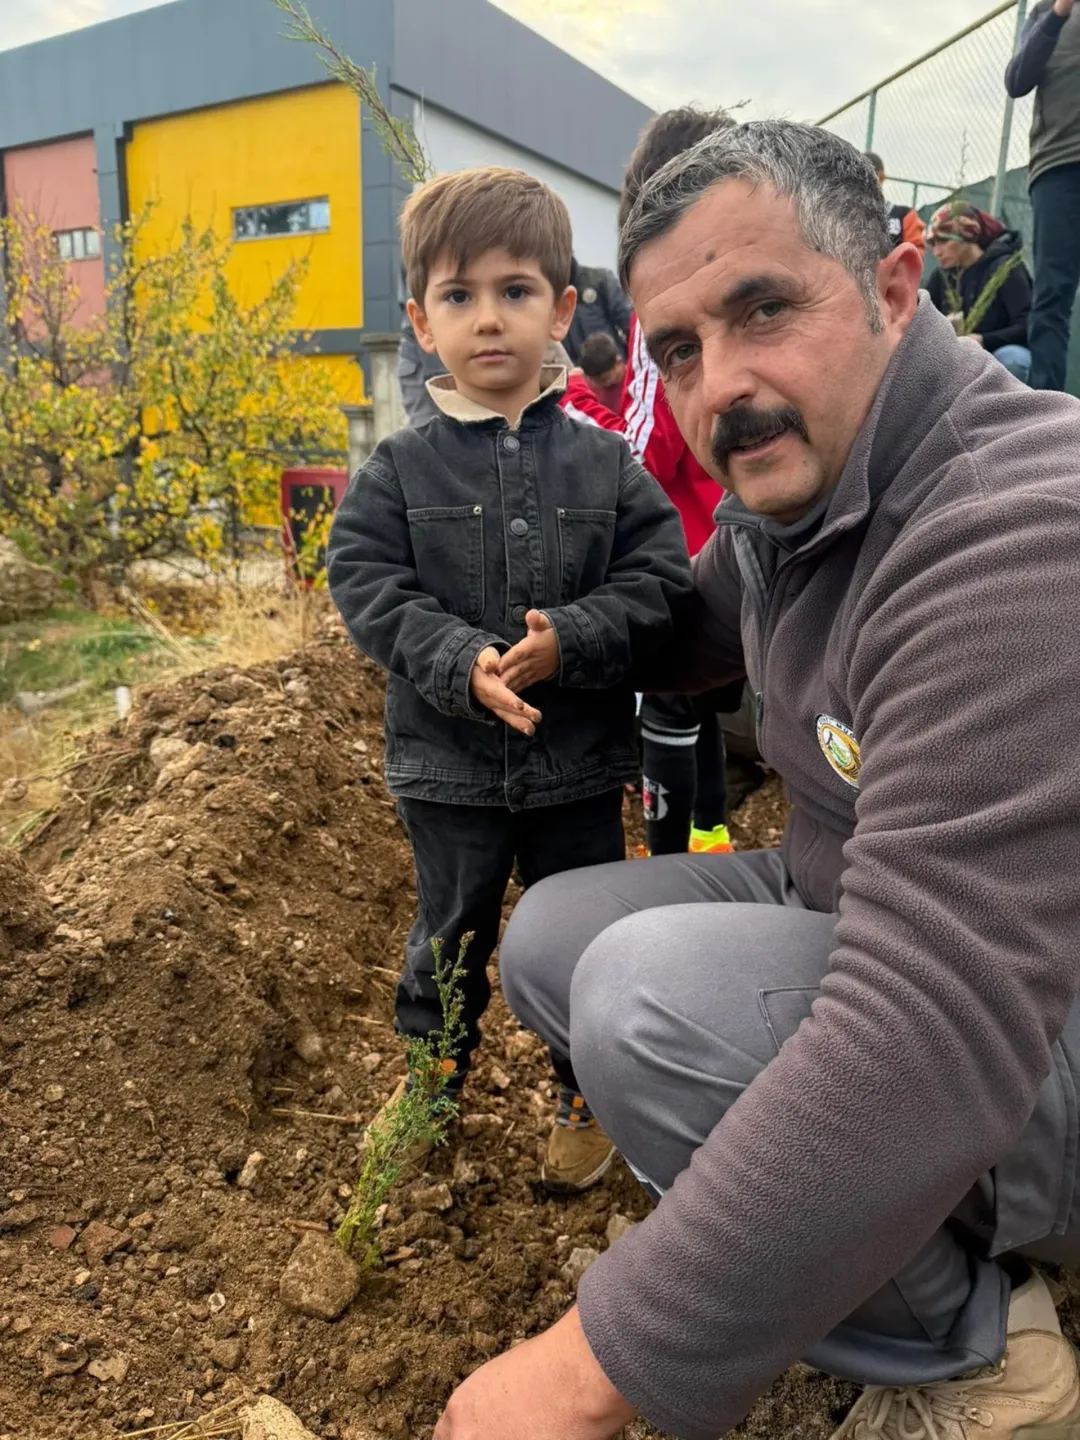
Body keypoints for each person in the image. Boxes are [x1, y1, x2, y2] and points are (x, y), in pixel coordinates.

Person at [433, 121, 1080, 1440]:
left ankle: (983, 1358)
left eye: (763, 309)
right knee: (559, 942)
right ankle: (823, 1227)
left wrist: (582, 1374)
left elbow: (932, 1025)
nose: (721, 384)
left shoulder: (1010, 532)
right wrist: (562, 641)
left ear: (898, 284)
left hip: (1019, 1025)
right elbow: (704, 623)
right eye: (679, 349)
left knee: (645, 1006)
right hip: (897, 929)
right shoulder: (820, 478)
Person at [327, 166, 691, 1196]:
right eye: (459, 295)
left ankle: (585, 1094)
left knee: (579, 942)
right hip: (446, 774)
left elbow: (659, 581)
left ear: (565, 311)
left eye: (516, 291)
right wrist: (456, 659)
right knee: (450, 937)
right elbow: (363, 582)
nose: (489, 319)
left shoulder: (608, 468)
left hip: (575, 768)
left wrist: (573, 637)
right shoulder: (399, 472)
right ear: (421, 319)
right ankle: (432, 1088)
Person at [563, 105, 741, 857]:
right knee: (700, 709)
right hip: (728, 536)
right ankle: (711, 834)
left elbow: (640, 449)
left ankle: (678, 864)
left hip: (691, 550)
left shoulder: (664, 308)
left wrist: (565, 395)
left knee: (671, 700)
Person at [1005, 0, 1080, 391]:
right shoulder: (1044, 13)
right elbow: (1017, 80)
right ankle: (1050, 425)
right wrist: (1059, 12)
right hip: (1057, 166)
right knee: (1052, 295)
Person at [926, 201, 1034, 383]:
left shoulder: (1006, 268)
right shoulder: (941, 277)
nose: (937, 252)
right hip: (955, 357)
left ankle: (1007, 410)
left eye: (943, 241)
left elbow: (1028, 325)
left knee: (1013, 359)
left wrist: (984, 340)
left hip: (997, 354)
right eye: (933, 244)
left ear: (968, 236)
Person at [563, 254, 632, 364]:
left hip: (616, 367)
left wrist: (633, 364)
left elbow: (630, 323)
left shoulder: (600, 279)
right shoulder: (548, 294)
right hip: (577, 374)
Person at [865, 151, 926, 256]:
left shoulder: (904, 216)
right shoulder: (842, 215)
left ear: (880, 177)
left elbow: (915, 256)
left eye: (865, 176)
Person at [577, 331, 626, 410]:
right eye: (597, 381)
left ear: (618, 362)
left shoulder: (635, 382)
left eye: (605, 379)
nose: (603, 384)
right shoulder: (588, 388)